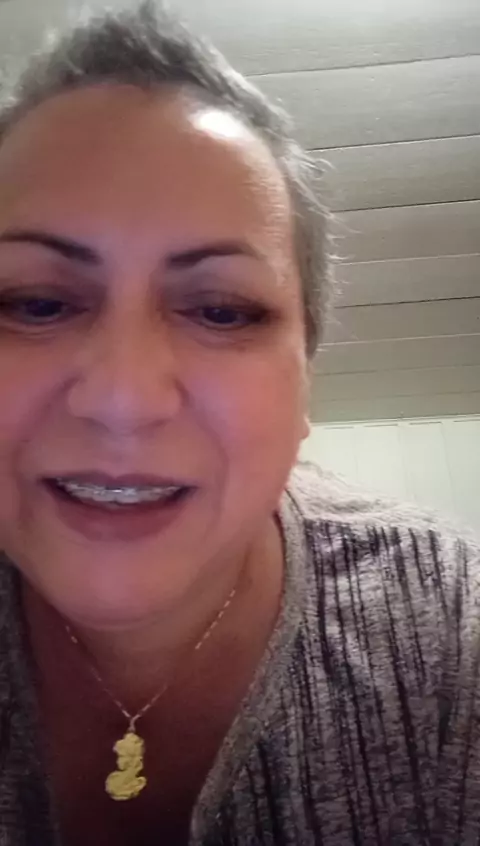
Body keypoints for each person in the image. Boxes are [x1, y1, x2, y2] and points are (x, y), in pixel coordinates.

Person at [0, 2, 478, 844]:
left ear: (305, 387)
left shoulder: (452, 628)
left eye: (221, 311)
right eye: (36, 303)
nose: (123, 398)